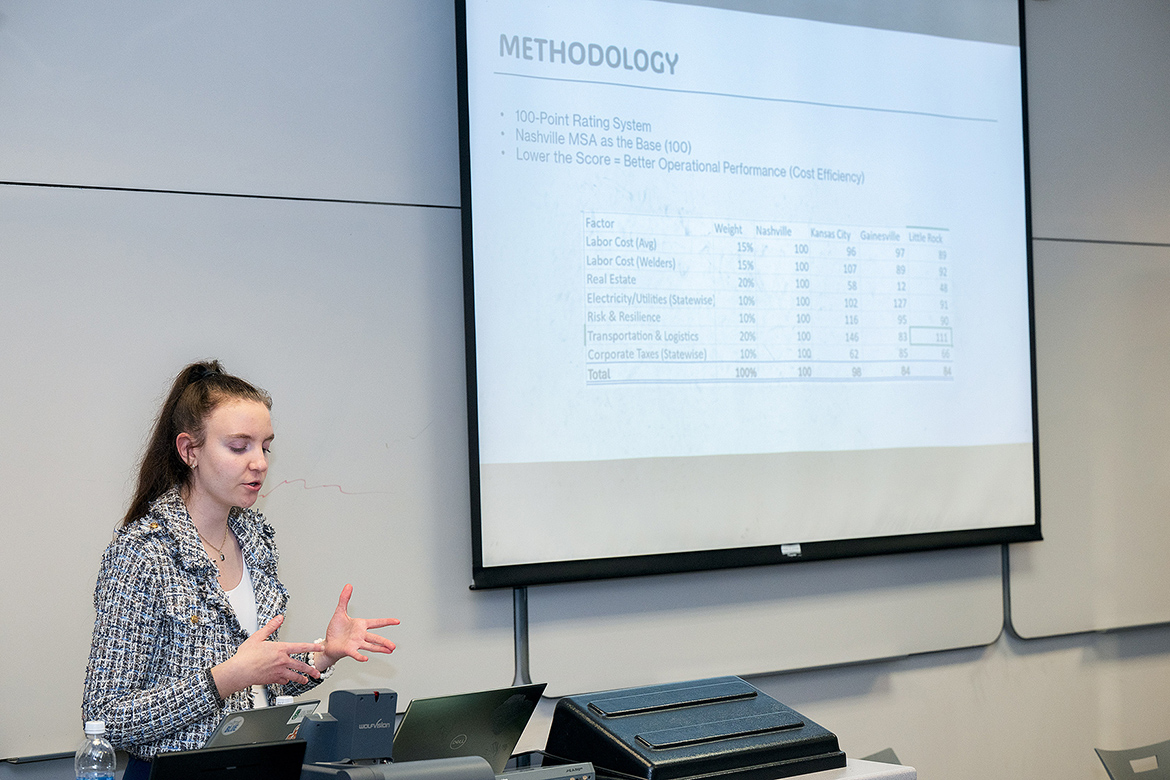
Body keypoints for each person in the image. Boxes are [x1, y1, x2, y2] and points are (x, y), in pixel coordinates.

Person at [83, 361, 397, 779]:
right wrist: (222, 680)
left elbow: (265, 687)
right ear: (189, 451)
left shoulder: (256, 539)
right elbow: (107, 716)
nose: (260, 463)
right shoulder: (142, 553)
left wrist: (323, 655)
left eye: (265, 446)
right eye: (239, 446)